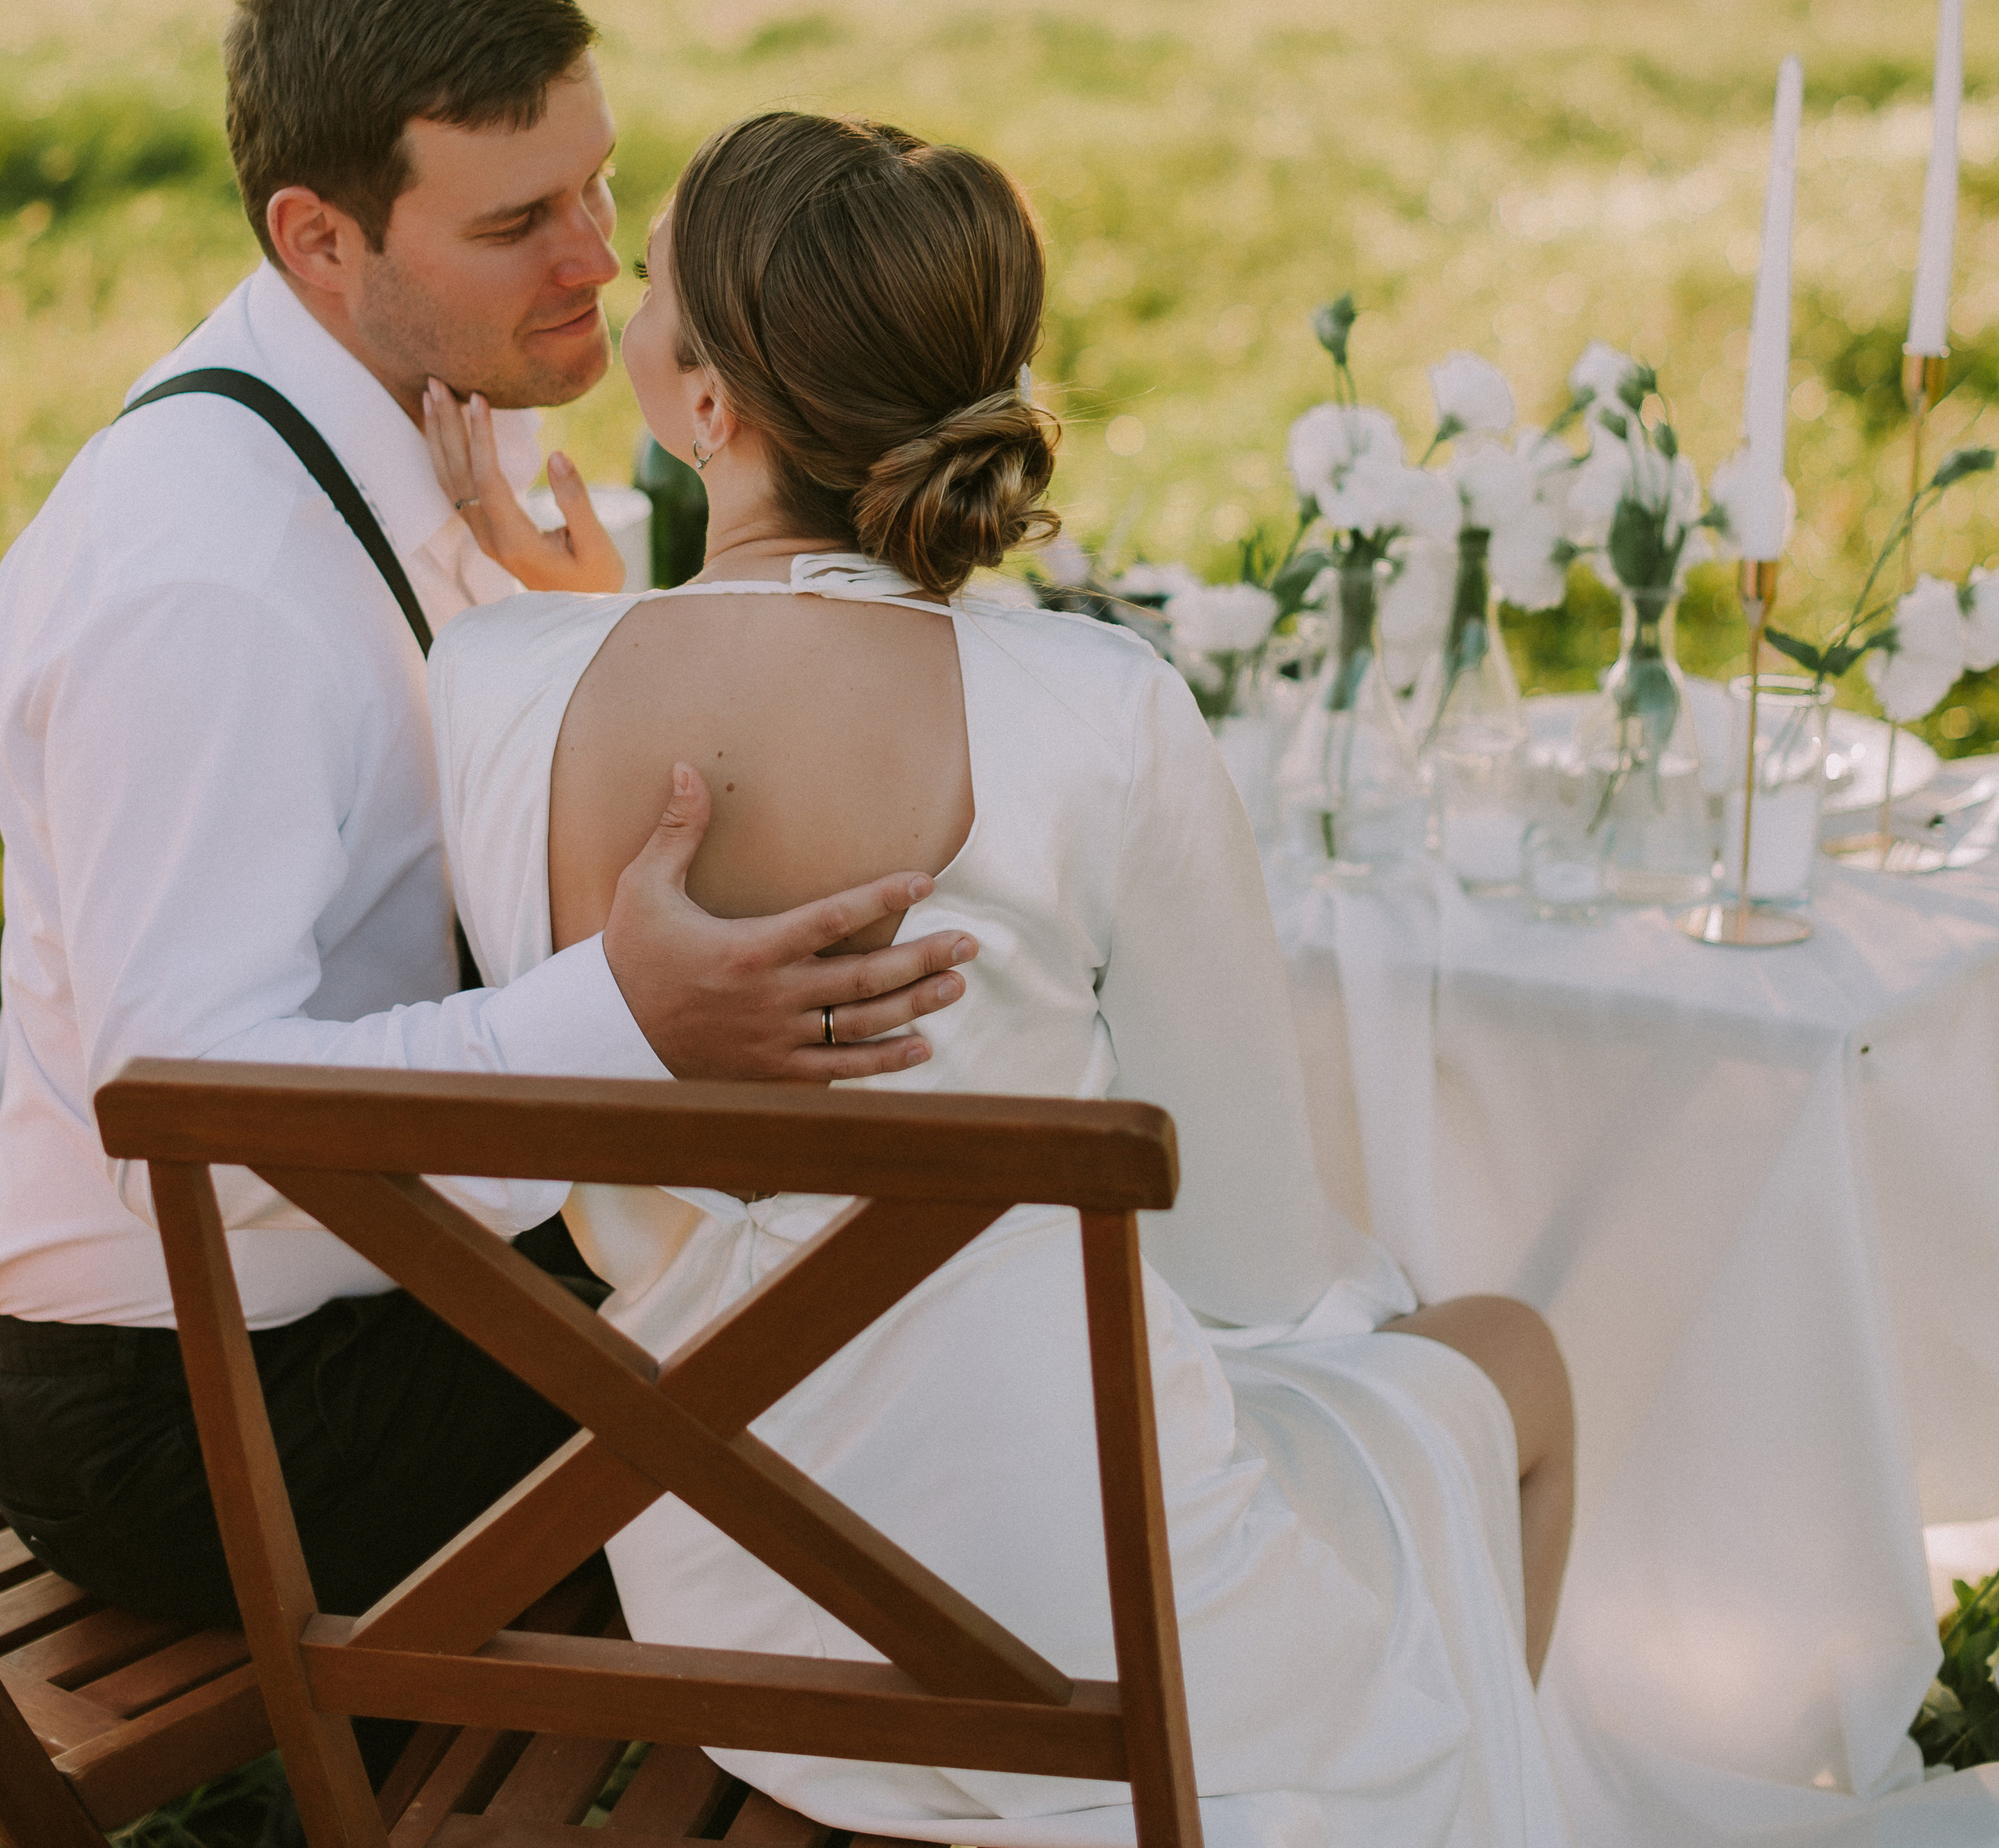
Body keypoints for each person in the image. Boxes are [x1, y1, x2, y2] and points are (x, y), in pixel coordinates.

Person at [429, 109, 1579, 1848]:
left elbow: (703, 679)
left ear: (711, 404)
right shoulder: (1091, 705)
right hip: (1081, 1635)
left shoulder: (491, 683)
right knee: (1506, 1361)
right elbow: (1252, 1265)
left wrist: (576, 610)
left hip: (734, 1610)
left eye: (653, 283)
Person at [0, 0, 976, 1685]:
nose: (596, 262)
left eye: (597, 189)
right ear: (317, 235)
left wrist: (584, 635)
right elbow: (185, 1123)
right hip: (202, 1406)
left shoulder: (446, 413)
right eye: (519, 221)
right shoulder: (208, 586)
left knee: (879, 1282)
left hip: (385, 1284)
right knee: (884, 1370)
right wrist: (622, 1014)